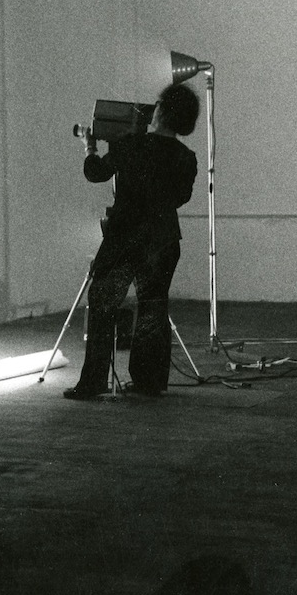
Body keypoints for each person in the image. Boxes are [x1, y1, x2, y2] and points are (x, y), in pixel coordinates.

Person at [64, 83, 200, 400]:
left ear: (162, 111)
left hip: (125, 238)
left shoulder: (131, 144)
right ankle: (148, 382)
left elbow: (95, 172)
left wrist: (89, 145)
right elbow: (180, 197)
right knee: (152, 308)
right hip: (163, 241)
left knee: (102, 302)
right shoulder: (187, 157)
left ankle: (95, 381)